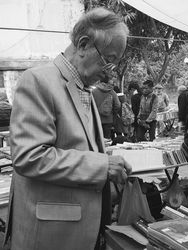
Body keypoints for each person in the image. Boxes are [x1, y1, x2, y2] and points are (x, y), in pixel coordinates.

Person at [4, 8, 132, 250]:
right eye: (109, 60)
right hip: (50, 234)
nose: (109, 72)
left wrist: (104, 159)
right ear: (83, 45)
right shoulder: (38, 80)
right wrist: (101, 165)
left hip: (79, 229)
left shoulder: (84, 87)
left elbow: (74, 147)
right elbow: (29, 156)